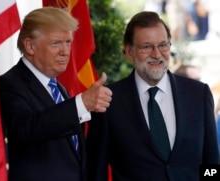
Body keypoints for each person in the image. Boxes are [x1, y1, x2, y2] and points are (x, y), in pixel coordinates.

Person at [86, 11, 219, 181]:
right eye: (146, 47)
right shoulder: (108, 102)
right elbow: (96, 172)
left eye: (163, 45)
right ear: (128, 52)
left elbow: (212, 165)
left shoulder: (198, 94)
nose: (156, 54)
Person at [0, 7, 112, 181]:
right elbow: (28, 129)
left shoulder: (60, 89)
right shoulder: (9, 84)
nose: (65, 51)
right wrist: (81, 104)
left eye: (68, 42)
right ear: (30, 46)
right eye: (56, 43)